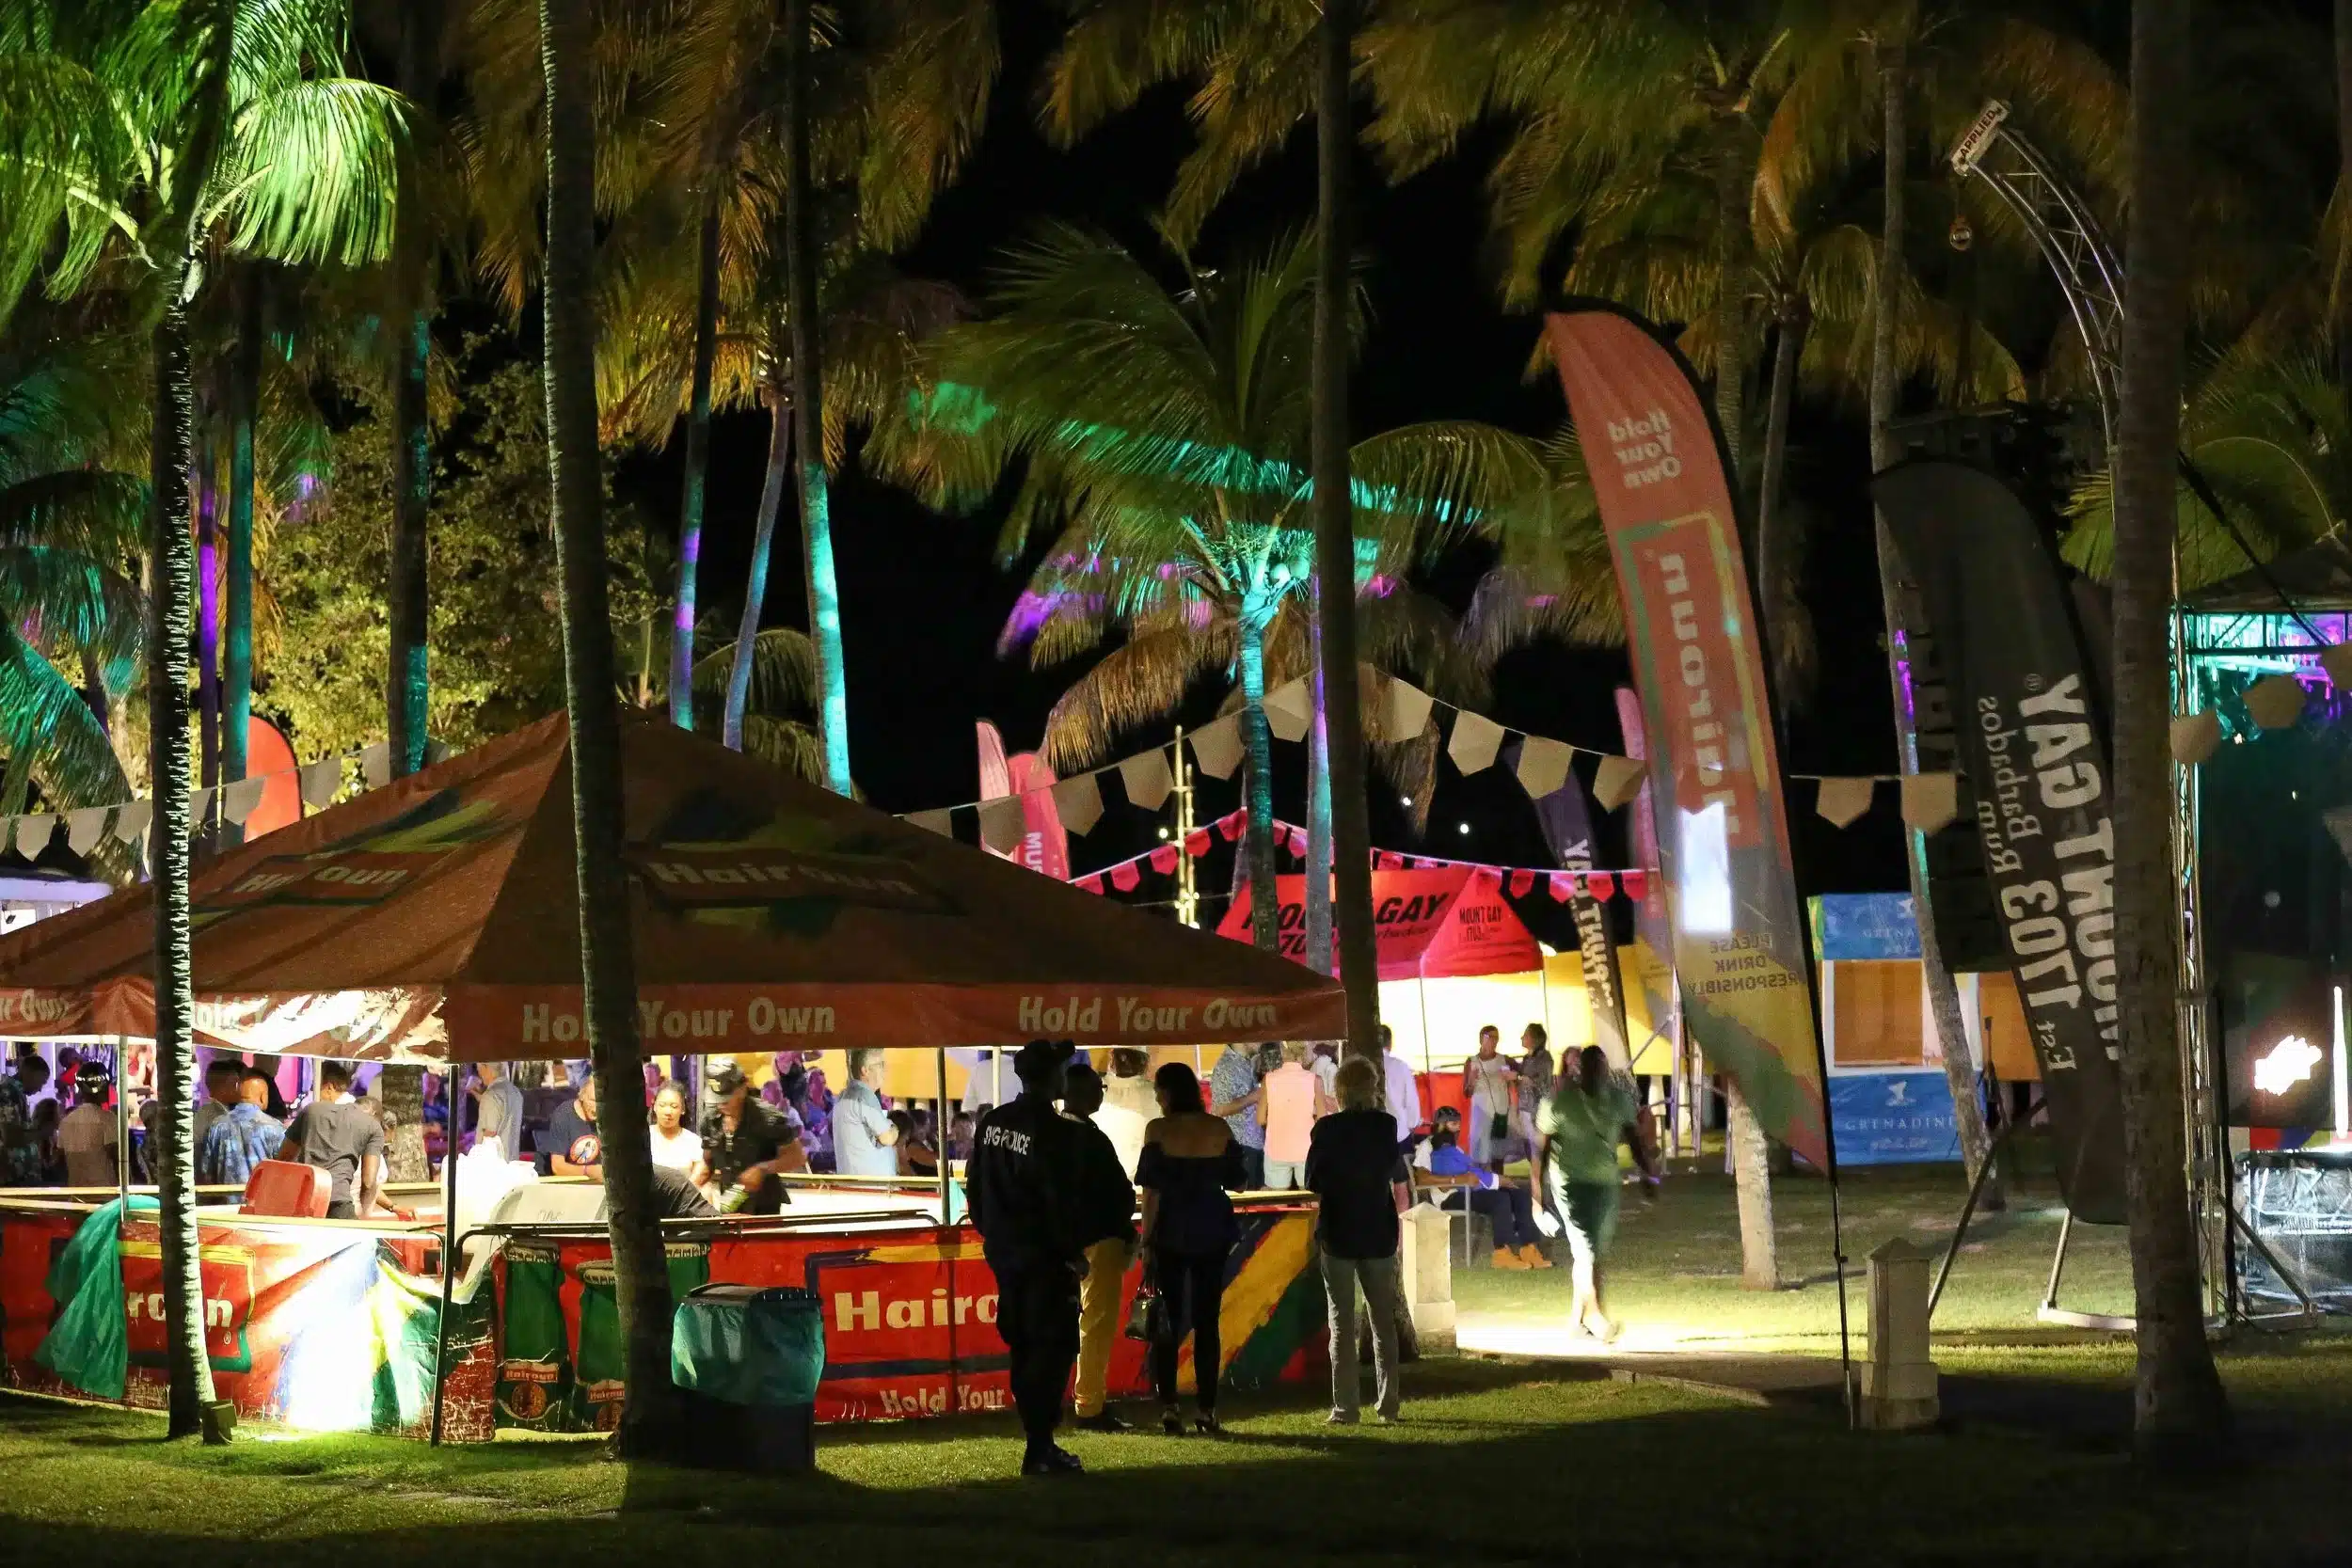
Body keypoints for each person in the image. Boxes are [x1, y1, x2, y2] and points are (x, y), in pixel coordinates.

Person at [962, 1039, 1087, 1478]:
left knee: (1024, 1344)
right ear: (1052, 1076)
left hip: (1006, 1252)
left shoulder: (993, 1122)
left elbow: (974, 1184)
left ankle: (1038, 1442)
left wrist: (992, 1231)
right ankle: (1040, 1446)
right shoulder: (1055, 1130)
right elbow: (1058, 1200)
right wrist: (1071, 1253)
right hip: (1042, 1256)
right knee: (1052, 1348)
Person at [1136, 1060, 1247, 1436]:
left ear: (1168, 1093)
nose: (1157, 1096)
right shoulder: (1218, 1128)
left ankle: (1169, 1406)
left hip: (1170, 1230)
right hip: (1212, 1228)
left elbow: (1151, 1193)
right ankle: (1207, 1409)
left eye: (1158, 1090)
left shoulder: (1158, 1130)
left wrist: (1146, 1241)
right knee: (1206, 1321)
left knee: (1168, 1320)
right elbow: (1239, 1181)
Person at [1306, 1057, 1413, 1425]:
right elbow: (1391, 1169)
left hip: (1338, 1230)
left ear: (1339, 1090)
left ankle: (1345, 1407)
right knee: (1382, 1322)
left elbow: (1312, 1180)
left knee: (1341, 1323)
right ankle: (1389, 1405)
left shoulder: (1326, 1129)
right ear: (1372, 1088)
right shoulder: (1385, 1126)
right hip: (1377, 1230)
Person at [1535, 1046, 1661, 1343]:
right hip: (1570, 1184)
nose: (1597, 1073)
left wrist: (1648, 1174)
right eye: (1591, 1067)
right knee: (1585, 1249)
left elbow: (1634, 1140)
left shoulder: (1617, 1101)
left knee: (1591, 1253)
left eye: (1601, 1067)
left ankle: (1576, 1320)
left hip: (1605, 1184)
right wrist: (1536, 1200)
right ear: (1582, 1071)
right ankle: (1594, 1316)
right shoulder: (1562, 1101)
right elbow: (1539, 1151)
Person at [1058, 1062, 1138, 1433]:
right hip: (1098, 1240)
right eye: (1097, 1088)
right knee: (1095, 1325)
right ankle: (1089, 1405)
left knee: (1071, 1326)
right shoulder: (1088, 1138)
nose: (1101, 1095)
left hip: (1068, 1241)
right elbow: (1116, 1191)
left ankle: (1074, 1400)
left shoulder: (1059, 1134)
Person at [1423, 1106, 1547, 1271]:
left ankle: (1529, 1248)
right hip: (1450, 1195)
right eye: (1453, 1124)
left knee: (1519, 1195)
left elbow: (1470, 1172)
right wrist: (1459, 1180)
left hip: (1470, 1189)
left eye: (1459, 1123)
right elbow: (1422, 1177)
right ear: (1441, 1125)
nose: (1458, 1129)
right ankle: (1501, 1253)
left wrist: (1496, 1180)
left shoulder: (1454, 1148)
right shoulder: (1428, 1146)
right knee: (1499, 1199)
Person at [692, 1061, 805, 1213]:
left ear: (742, 1089)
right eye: (717, 1098)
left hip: (765, 1208)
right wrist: (687, 1188)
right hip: (730, 1207)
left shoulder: (767, 1117)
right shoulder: (710, 1120)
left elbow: (797, 1157)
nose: (721, 1103)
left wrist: (762, 1169)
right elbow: (708, 1161)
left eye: (726, 1097)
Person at [282, 1060, 385, 1219]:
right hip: (338, 1204)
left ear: (329, 1087)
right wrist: (365, 1215)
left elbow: (284, 1158)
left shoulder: (311, 1110)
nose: (313, 1091)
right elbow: (369, 1182)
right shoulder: (372, 1126)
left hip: (304, 1199)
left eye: (315, 1087)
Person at [199, 1069, 288, 1190]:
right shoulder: (275, 1128)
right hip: (260, 1199)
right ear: (263, 1097)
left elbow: (206, 1171)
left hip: (224, 1199)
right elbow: (286, 1172)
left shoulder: (217, 1125)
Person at [1256, 1041, 1327, 1189]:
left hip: (1276, 1149)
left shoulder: (1268, 1079)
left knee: (1278, 1199)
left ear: (1282, 1052)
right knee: (1308, 1197)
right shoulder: (1315, 1080)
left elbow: (1260, 1119)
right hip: (1306, 1150)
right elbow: (1323, 1119)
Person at [1205, 1040, 1265, 1190]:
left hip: (1253, 1142)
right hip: (1240, 1145)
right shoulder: (1227, 1066)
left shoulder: (1247, 1061)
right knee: (1248, 1199)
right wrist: (1254, 1096)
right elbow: (1220, 1109)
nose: (1261, 1041)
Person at [832, 1048, 900, 1178]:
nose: (885, 1070)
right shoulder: (864, 1095)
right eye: (881, 1065)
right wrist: (894, 1128)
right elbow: (888, 1138)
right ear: (865, 1070)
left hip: (858, 1184)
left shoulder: (844, 1096)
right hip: (870, 1186)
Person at [1462, 1025, 1516, 1171]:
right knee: (1481, 1155)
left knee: (1498, 1155)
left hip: (1500, 1115)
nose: (1494, 1041)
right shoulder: (1471, 1061)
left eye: (1496, 1038)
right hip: (1481, 1115)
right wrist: (1471, 1080)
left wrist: (1514, 1077)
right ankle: (1481, 1183)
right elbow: (1466, 1093)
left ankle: (1499, 1182)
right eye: (1490, 1037)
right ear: (1482, 1038)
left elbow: (1519, 1076)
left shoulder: (1505, 1060)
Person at [57, 1063, 118, 1189]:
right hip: (105, 1192)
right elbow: (116, 1157)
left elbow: (61, 1161)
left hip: (75, 1192)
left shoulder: (65, 1121)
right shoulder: (108, 1118)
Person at [1096, 1050, 1156, 1177]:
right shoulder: (1156, 1093)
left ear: (1112, 1060)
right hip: (1140, 1180)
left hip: (1102, 1177)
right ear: (1144, 1063)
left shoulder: (1093, 1088)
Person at [537, 1076, 602, 1178]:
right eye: (592, 1100)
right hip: (551, 1177)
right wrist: (588, 1171)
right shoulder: (563, 1115)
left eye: (601, 1102)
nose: (596, 1107)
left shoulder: (606, 1116)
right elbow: (557, 1167)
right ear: (582, 1096)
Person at [0, 1052, 48, 1188]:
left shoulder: (17, 1093)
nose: (40, 1089)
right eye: (41, 1082)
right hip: (12, 1176)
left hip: (20, 1175)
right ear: (29, 1072)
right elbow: (10, 1137)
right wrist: (41, 1133)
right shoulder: (9, 1092)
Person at [1377, 1026, 1422, 1153]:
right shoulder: (1401, 1066)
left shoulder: (1364, 1067)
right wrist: (1413, 1123)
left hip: (1372, 1137)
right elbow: (1411, 1101)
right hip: (1399, 1134)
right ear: (1390, 1043)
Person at [471, 1061, 526, 1163]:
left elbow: (489, 1133)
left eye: (479, 1071)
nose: (480, 1075)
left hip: (493, 1166)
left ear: (486, 1068)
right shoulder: (515, 1092)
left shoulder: (491, 1095)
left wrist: (473, 1155)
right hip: (512, 1163)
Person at [647, 1080, 703, 1171]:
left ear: (683, 1109)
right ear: (654, 1107)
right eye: (662, 1105)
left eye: (674, 1106)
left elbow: (701, 1174)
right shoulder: (643, 1138)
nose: (668, 1112)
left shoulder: (694, 1142)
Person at [194, 1058, 241, 1156]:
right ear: (222, 1088)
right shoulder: (211, 1115)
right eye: (236, 1084)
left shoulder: (224, 1111)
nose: (240, 1089)